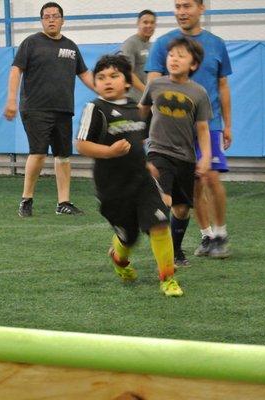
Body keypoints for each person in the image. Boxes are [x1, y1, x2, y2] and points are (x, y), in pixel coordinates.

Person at [76, 54, 183, 297]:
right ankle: (119, 258)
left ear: (127, 82)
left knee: (159, 224)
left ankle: (168, 279)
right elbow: (81, 145)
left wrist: (148, 165)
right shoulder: (96, 109)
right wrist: (109, 151)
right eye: (101, 77)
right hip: (112, 189)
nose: (107, 81)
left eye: (114, 76)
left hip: (142, 182)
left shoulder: (136, 110)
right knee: (128, 238)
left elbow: (138, 144)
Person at [145, 0, 232, 262]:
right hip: (174, 128)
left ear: (201, 8)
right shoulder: (164, 43)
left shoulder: (216, 43)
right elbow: (153, 85)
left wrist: (228, 124)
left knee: (211, 177)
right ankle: (205, 235)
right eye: (177, 6)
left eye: (187, 6)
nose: (181, 11)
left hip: (208, 123)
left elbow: (223, 85)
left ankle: (220, 234)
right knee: (192, 184)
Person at [3, 2, 95, 217]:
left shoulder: (71, 47)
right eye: (47, 16)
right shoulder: (31, 43)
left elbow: (84, 74)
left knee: (63, 156)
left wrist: (105, 90)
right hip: (35, 109)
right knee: (38, 152)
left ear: (63, 20)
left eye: (55, 16)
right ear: (42, 20)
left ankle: (63, 203)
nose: (51, 19)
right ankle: (26, 200)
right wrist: (11, 99)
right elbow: (16, 70)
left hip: (63, 109)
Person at [139, 36, 212, 269]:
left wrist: (207, 156)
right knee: (165, 199)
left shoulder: (199, 93)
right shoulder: (155, 84)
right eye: (171, 55)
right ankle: (161, 246)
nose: (174, 59)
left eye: (181, 56)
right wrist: (133, 136)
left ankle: (176, 249)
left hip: (186, 157)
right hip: (158, 150)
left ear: (193, 64)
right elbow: (141, 112)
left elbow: (202, 128)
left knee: (181, 209)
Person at [120, 9, 157, 103]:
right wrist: (146, 91)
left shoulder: (151, 45)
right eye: (145, 22)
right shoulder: (130, 44)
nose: (149, 25)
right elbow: (127, 72)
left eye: (152, 23)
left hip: (146, 100)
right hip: (132, 101)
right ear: (138, 23)